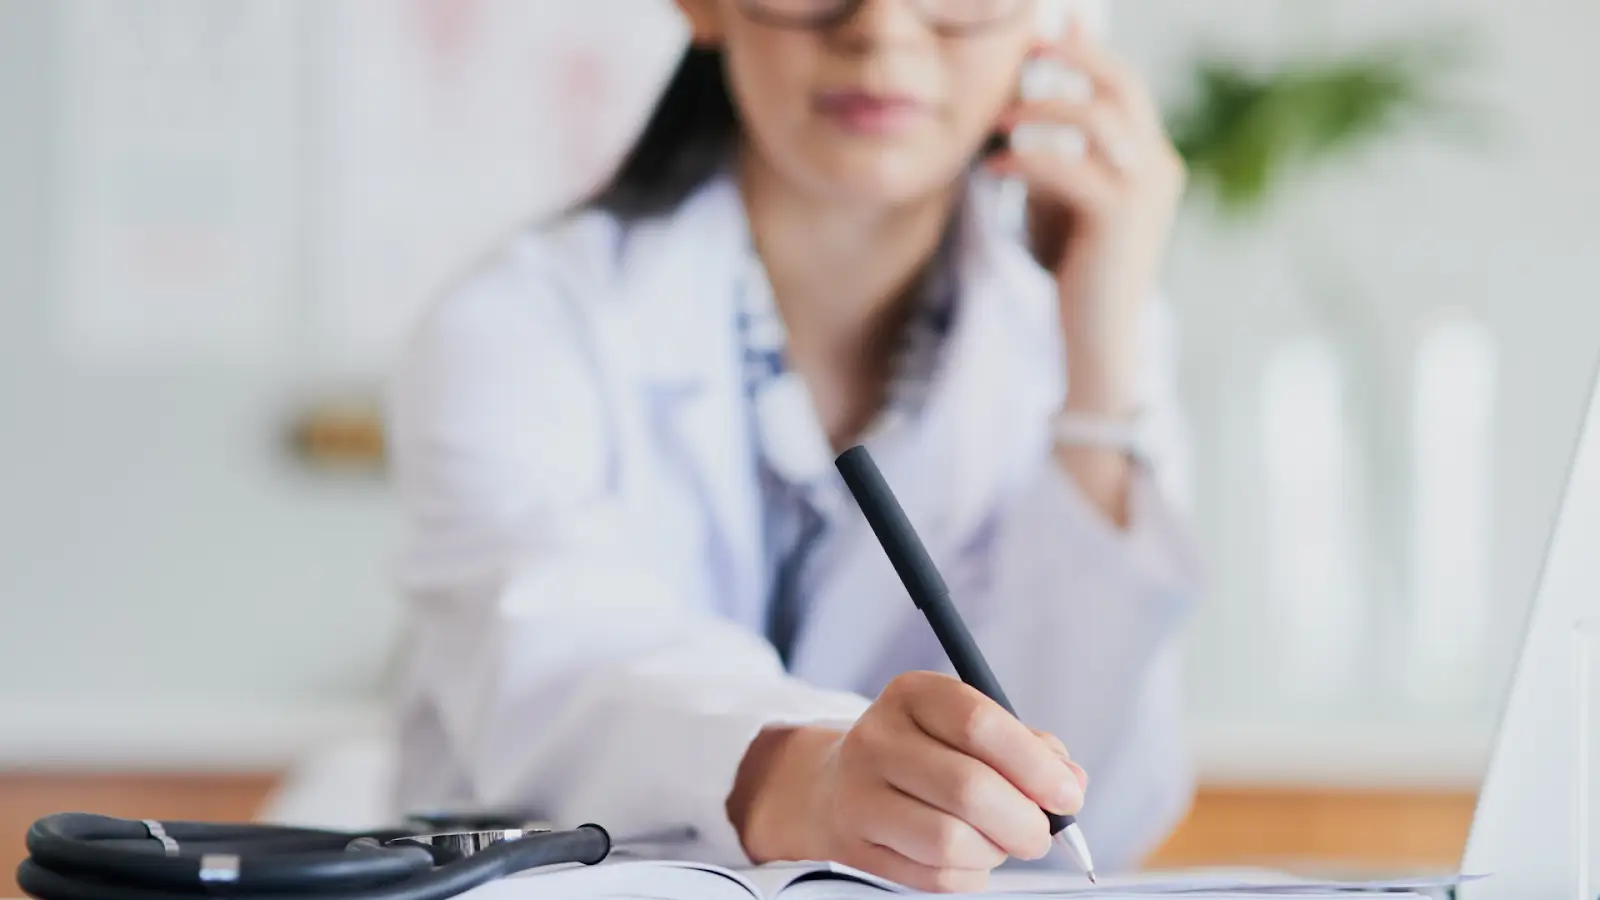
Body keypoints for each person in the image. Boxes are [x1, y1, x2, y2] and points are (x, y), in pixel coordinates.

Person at [386, 0, 1201, 891]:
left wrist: (1099, 361)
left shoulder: (1078, 337)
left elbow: (1099, 808)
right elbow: (553, 669)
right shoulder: (521, 326)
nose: (882, 31)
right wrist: (811, 778)